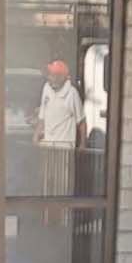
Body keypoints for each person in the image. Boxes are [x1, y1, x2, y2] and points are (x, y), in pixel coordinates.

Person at [35, 59, 84, 196]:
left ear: (61, 77)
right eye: (50, 74)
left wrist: (82, 144)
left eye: (53, 75)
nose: (50, 77)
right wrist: (36, 134)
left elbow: (81, 121)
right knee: (47, 183)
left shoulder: (72, 94)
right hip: (48, 145)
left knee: (62, 185)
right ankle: (47, 210)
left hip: (64, 147)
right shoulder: (46, 88)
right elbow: (42, 115)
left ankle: (63, 210)